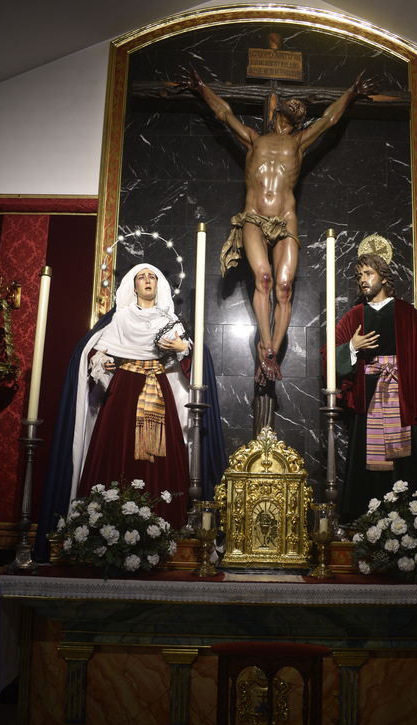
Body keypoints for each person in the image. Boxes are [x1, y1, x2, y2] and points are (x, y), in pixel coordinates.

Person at [177, 65, 380, 385]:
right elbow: (225, 114)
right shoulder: (254, 138)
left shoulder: (298, 142)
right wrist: (201, 87)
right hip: (254, 218)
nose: (299, 106)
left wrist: (352, 93)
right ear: (276, 112)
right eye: (293, 103)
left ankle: (271, 350)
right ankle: (266, 345)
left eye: (302, 108)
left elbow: (329, 119)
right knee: (264, 278)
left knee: (284, 289)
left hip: (285, 220)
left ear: (300, 122)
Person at [34, 263, 226, 560]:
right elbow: (93, 350)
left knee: (164, 458)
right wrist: (101, 362)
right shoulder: (120, 318)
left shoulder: (170, 320)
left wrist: (182, 348)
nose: (147, 281)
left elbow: (193, 360)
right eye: (141, 277)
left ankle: (166, 527)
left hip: (159, 392)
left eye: (152, 277)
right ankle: (103, 525)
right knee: (116, 449)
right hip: (124, 392)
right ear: (133, 286)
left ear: (158, 285)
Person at [322, 253, 417, 523]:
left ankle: (412, 520)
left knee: (405, 460)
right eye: (359, 276)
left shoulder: (404, 312)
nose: (363, 280)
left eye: (369, 273)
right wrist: (352, 347)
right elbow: (328, 355)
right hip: (368, 398)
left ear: (383, 277)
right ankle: (363, 519)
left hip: (400, 396)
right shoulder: (355, 316)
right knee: (366, 456)